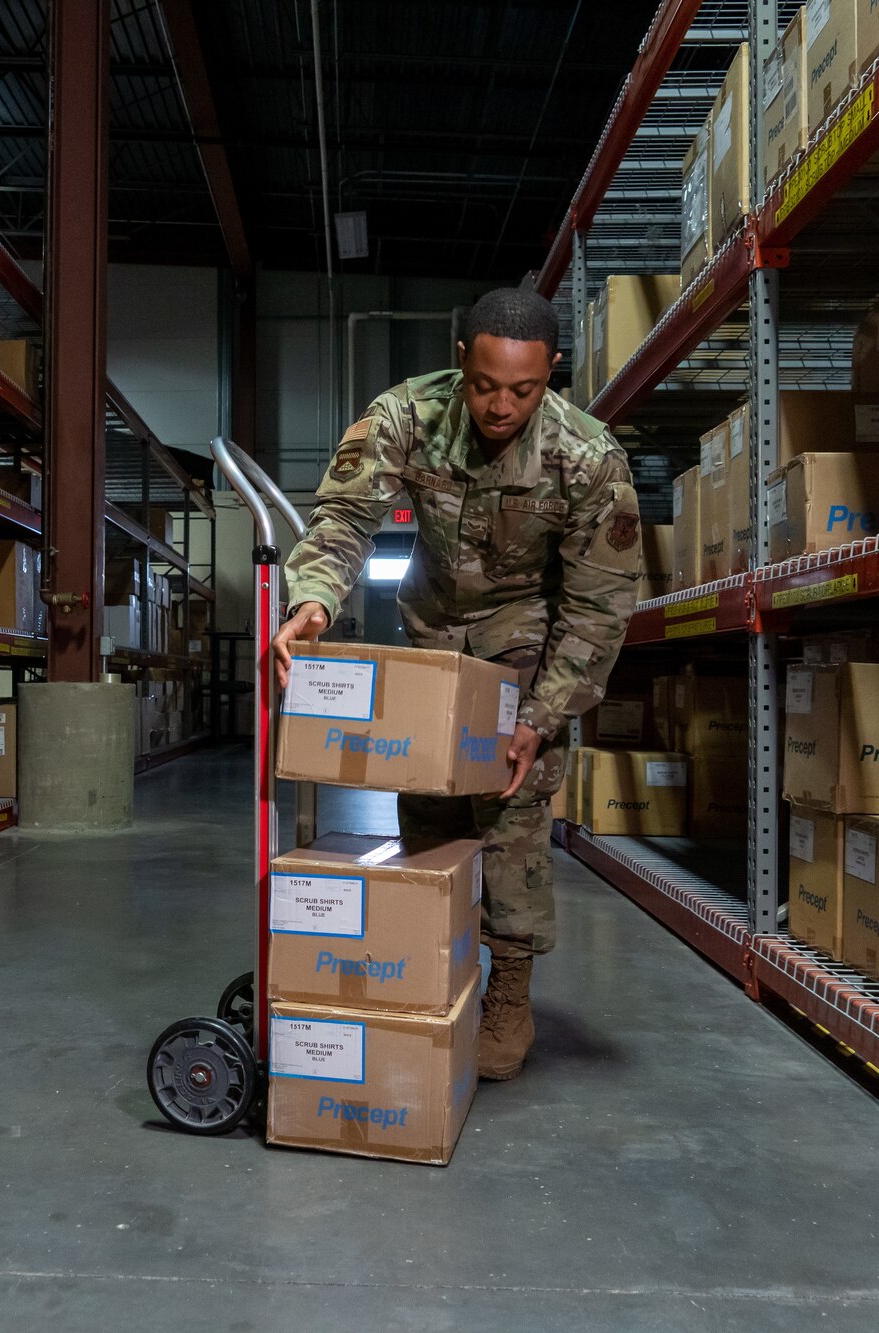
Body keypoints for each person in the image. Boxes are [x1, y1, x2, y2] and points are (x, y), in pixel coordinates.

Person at [273, 285, 643, 1081]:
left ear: (551, 376)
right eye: (484, 385)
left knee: (510, 806)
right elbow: (343, 517)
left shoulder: (587, 457)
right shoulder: (406, 415)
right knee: (429, 802)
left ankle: (509, 987)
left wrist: (541, 717)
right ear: (460, 363)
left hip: (528, 636)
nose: (500, 404)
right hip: (435, 623)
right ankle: (436, 955)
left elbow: (599, 606)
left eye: (523, 389)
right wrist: (313, 599)